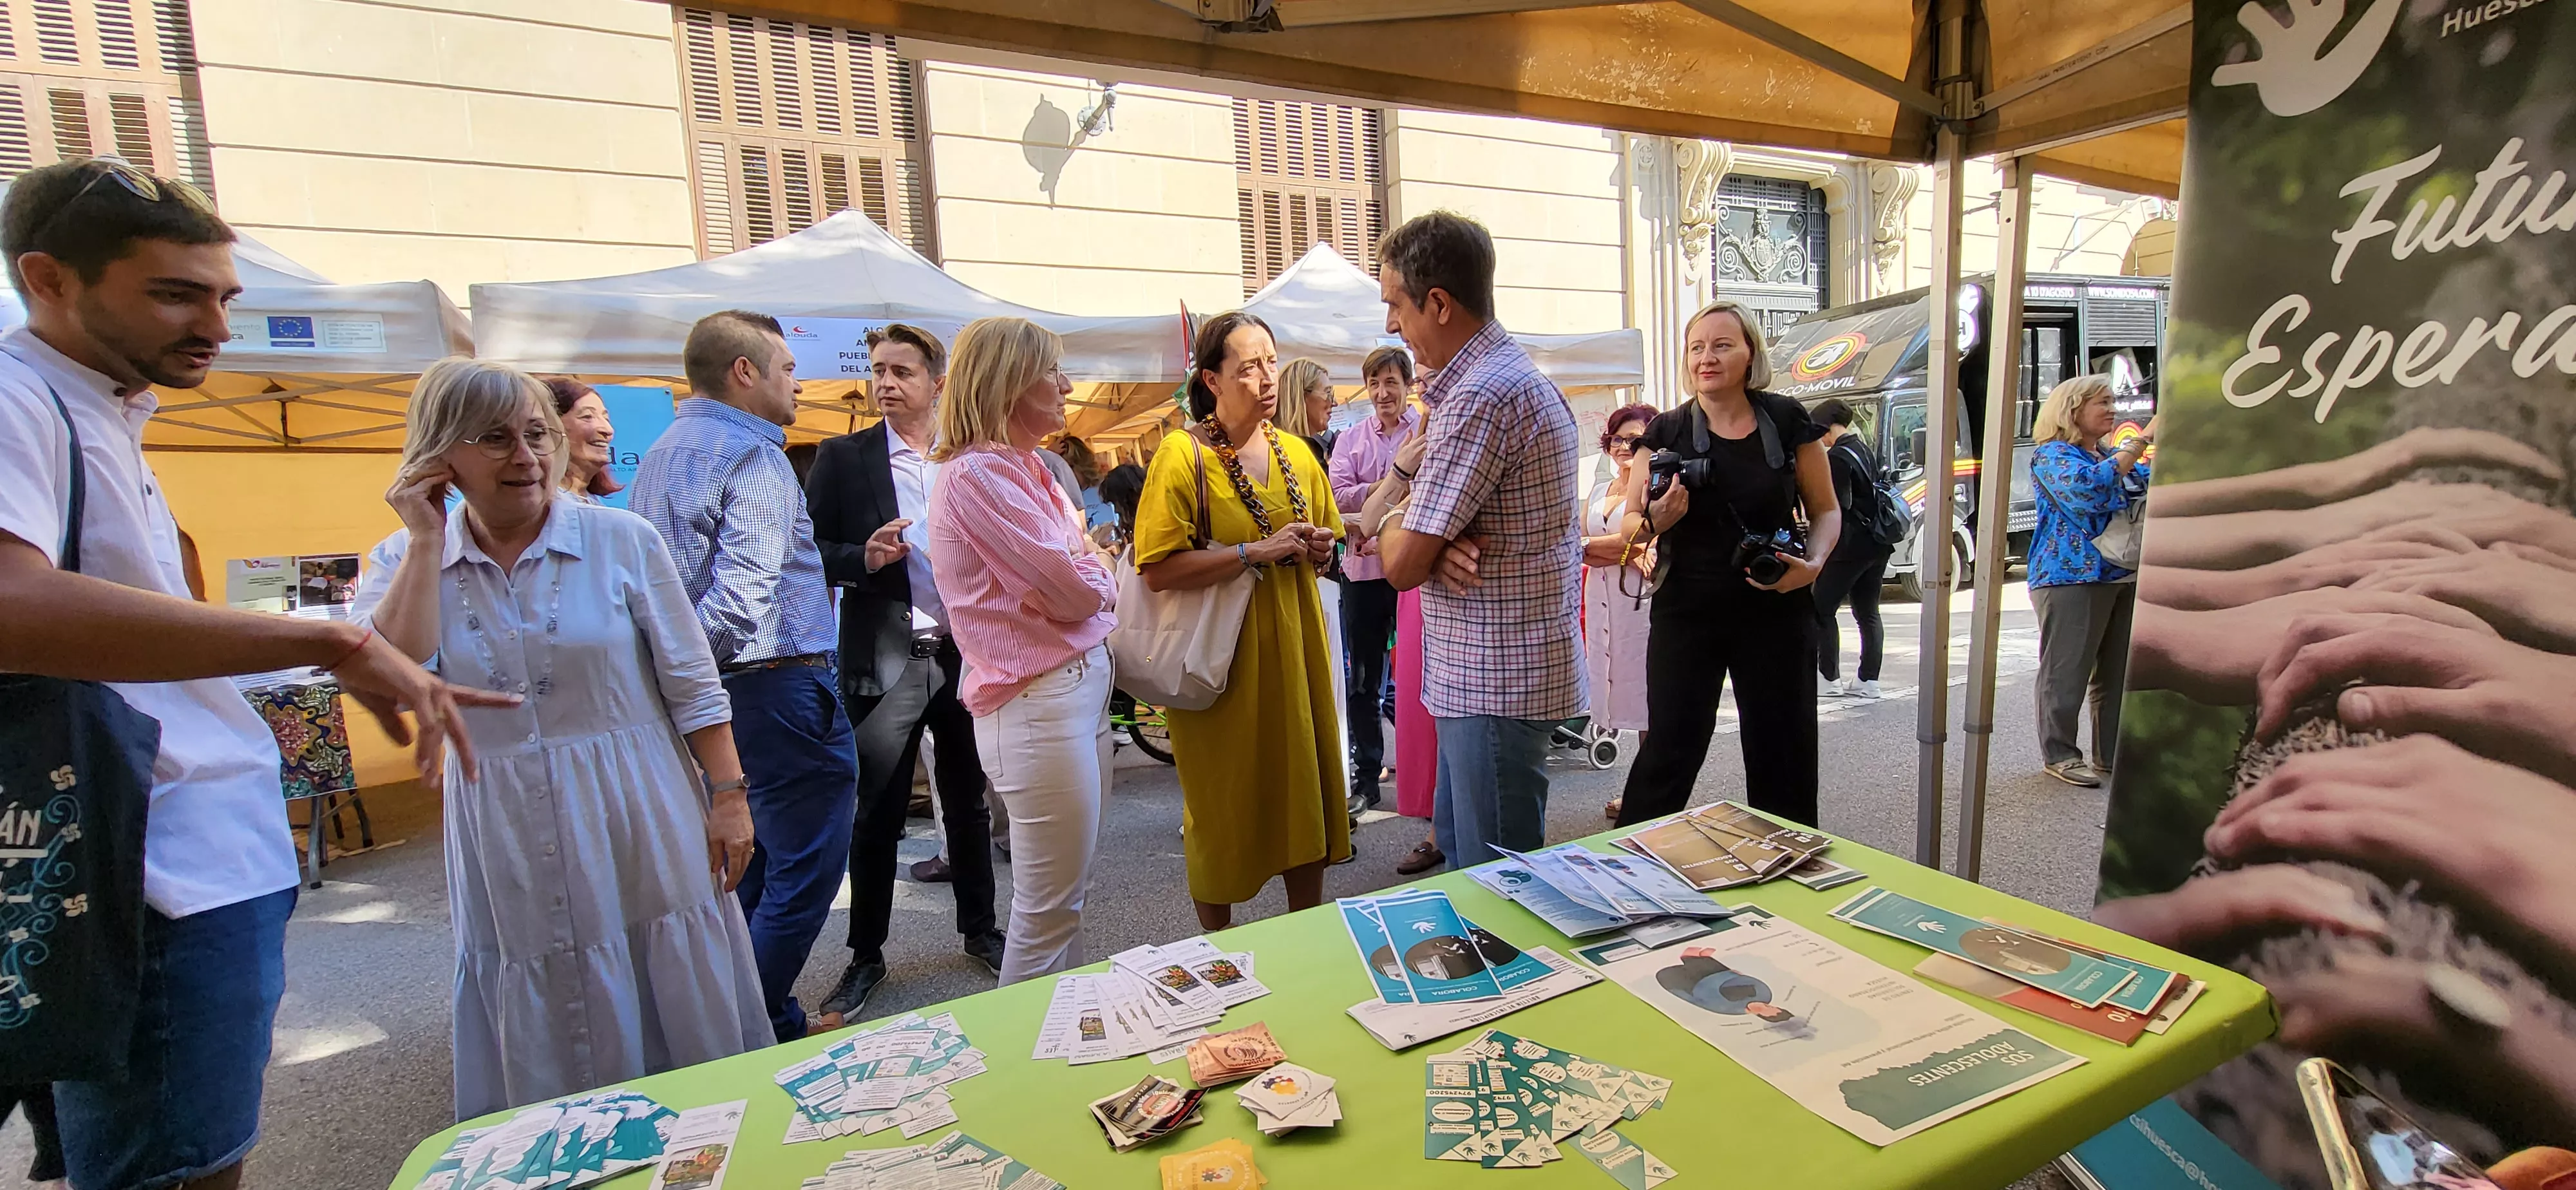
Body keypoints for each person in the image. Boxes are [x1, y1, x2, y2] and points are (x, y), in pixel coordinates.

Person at [0, 158, 513, 1190]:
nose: (217, 328)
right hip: (152, 863)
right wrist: (331, 642)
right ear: (47, 279)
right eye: (175, 294)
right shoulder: (22, 400)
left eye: (225, 298)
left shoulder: (97, 405)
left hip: (185, 854)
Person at [351, 357, 768, 1117]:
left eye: (538, 434)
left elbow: (692, 679)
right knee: (538, 967)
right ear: (440, 453)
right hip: (503, 813)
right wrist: (424, 537)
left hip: (636, 799)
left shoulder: (620, 539)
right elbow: (394, 673)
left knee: (665, 966)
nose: (526, 456)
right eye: (494, 438)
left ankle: (703, 1139)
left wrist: (729, 796)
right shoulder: (406, 557)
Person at [629, 309, 857, 1042]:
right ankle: (744, 1027)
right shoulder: (753, 456)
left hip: (729, 692)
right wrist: (691, 678)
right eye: (788, 369)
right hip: (771, 684)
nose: (799, 384)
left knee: (746, 868)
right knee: (805, 868)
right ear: (744, 372)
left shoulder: (666, 450)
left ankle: (757, 1017)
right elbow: (743, 594)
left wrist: (684, 684)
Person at [1362, 210, 1585, 871]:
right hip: (1491, 674)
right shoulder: (1494, 383)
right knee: (1476, 865)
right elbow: (1419, 550)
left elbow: (1401, 563)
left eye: (1395, 305)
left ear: (1438, 304)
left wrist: (1403, 526)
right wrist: (1425, 535)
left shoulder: (1482, 397)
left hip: (1493, 678)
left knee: (1497, 885)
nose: (1390, 325)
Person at [802, 323, 1003, 1025]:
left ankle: (981, 930)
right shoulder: (843, 457)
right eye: (878, 371)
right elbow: (810, 550)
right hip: (885, 659)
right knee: (877, 813)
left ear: (937, 383)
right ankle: (866, 955)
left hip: (964, 655)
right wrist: (862, 557)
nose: (885, 384)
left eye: (902, 372)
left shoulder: (969, 458)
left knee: (968, 803)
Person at [1137, 312, 1350, 928]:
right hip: (1220, 663)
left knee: (1303, 790)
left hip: (1298, 653)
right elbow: (1157, 568)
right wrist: (1251, 552)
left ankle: (1306, 932)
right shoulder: (1183, 454)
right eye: (1249, 367)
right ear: (1212, 379)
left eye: (1271, 363)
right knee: (1221, 803)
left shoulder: (1297, 452)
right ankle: (1218, 950)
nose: (1267, 378)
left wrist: (1320, 548)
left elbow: (1333, 543)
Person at [923, 316, 1117, 983]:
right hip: (1039, 705)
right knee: (1048, 913)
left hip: (1064, 697)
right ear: (1009, 383)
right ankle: (1029, 1044)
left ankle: (1067, 1029)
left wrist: (1087, 570)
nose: (1066, 386)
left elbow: (1079, 570)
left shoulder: (1024, 468)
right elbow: (1077, 590)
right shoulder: (979, 475)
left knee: (1064, 905)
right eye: (1052, 373)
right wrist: (1095, 572)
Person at [1615, 299, 1841, 829]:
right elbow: (1630, 525)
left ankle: (1785, 860)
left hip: (1776, 608)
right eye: (1697, 348)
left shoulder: (1786, 421)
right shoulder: (1665, 432)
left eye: (1722, 345)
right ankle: (1631, 864)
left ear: (1750, 354)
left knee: (1784, 754)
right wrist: (1655, 521)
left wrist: (1813, 564)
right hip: (1686, 614)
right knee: (1669, 751)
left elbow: (1827, 509)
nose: (1706, 358)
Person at [2026, 374, 2155, 788]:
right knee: (2066, 671)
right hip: (2069, 577)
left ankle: (2111, 754)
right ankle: (2061, 754)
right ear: (2073, 410)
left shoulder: (2106, 455)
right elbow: (2091, 491)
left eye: (2113, 401)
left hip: (2120, 573)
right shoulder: (2052, 456)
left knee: (2117, 674)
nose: (2112, 409)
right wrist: (2141, 442)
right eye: (2103, 402)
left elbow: (2147, 486)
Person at [1329, 346, 1418, 813]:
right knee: (1363, 680)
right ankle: (1367, 779)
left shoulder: (1426, 430)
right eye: (1375, 383)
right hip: (1363, 572)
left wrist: (1373, 499)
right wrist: (1394, 482)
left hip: (1417, 569)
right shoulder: (1350, 439)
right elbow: (1337, 495)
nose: (1383, 393)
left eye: (1391, 383)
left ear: (1408, 386)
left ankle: (1428, 774)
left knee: (1425, 673)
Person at [1270, 355, 1355, 826]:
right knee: (1322, 701)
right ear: (1302, 398)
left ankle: (1310, 809)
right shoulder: (1301, 453)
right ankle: (1324, 809)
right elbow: (1327, 529)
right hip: (1313, 589)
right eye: (1327, 394)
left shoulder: (1282, 449)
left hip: (1298, 588)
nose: (1333, 403)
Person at [1582, 403, 1656, 819]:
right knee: (1616, 691)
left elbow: (1651, 545)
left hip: (1642, 603)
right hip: (1603, 601)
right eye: (1617, 439)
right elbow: (1578, 547)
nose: (1625, 447)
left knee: (1648, 699)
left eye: (1635, 439)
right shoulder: (1599, 491)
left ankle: (1649, 798)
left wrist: (1600, 549)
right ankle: (1642, 791)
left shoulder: (1656, 490)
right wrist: (1625, 551)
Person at [1810, 397, 1893, 698]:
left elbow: (1839, 506)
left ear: (1829, 427)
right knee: (1868, 613)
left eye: (1820, 431)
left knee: (1820, 608)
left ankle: (1828, 677)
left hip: (1849, 547)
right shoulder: (1864, 449)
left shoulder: (1838, 458)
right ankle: (1868, 680)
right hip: (1878, 543)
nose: (1819, 438)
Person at [546, 377, 622, 503]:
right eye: (587, 417)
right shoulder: (540, 507)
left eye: (606, 419)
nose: (608, 430)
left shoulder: (592, 501)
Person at [1055, 435, 1115, 531]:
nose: (1066, 473)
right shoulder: (1061, 499)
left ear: (1082, 464)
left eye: (1070, 467)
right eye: (1060, 470)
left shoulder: (1107, 488)